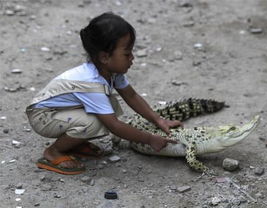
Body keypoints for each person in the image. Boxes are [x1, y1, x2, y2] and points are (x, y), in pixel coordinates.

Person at [26, 12, 182, 175]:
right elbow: (114, 126)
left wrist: (158, 120)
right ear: (105, 57)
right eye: (127, 54)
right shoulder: (90, 83)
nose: (132, 58)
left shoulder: (111, 72)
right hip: (42, 116)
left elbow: (131, 96)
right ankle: (54, 152)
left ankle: (73, 143)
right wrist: (150, 139)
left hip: (58, 112)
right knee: (95, 122)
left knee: (108, 107)